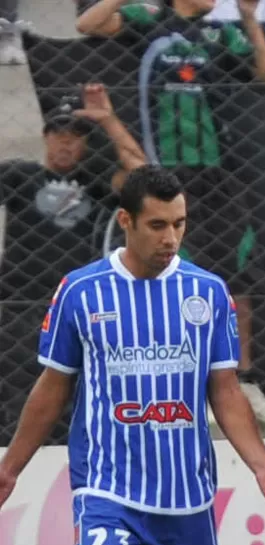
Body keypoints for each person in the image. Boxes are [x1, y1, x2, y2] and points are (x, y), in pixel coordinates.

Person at [0, 166, 265, 545]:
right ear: (125, 221)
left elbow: (225, 392)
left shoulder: (208, 293)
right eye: (157, 225)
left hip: (187, 499)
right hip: (107, 490)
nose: (171, 238)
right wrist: (10, 469)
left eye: (179, 224)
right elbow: (53, 386)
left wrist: (262, 466)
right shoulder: (80, 291)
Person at [76, 0, 265, 426]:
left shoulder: (219, 33)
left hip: (219, 173)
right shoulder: (149, 21)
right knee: (176, 274)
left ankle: (242, 380)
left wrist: (248, 18)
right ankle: (192, 381)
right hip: (165, 174)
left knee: (237, 273)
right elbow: (88, 23)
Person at [0, 83, 146, 446]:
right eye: (59, 135)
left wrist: (109, 120)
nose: (66, 143)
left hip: (78, 306)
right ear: (46, 137)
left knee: (77, 398)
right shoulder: (21, 175)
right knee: (20, 398)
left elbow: (145, 177)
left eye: (75, 137)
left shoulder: (95, 181)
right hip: (22, 303)